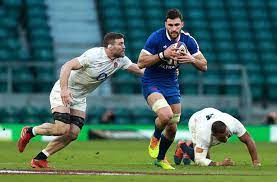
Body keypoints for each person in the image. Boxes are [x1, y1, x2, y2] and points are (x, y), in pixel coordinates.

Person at [17, 32, 144, 168]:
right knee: (62, 129)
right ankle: (30, 131)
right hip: (63, 91)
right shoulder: (94, 55)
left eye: (123, 43)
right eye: (120, 44)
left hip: (80, 97)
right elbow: (67, 66)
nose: (124, 47)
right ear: (109, 46)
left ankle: (40, 158)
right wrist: (64, 90)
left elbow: (139, 70)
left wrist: (164, 69)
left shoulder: (121, 60)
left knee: (73, 133)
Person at [137, 9, 207, 170]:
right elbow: (140, 62)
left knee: (173, 127)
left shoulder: (188, 41)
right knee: (166, 115)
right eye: (170, 25)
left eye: (177, 25)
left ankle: (160, 159)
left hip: (171, 85)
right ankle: (155, 137)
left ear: (182, 24)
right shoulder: (156, 37)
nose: (174, 28)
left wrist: (191, 59)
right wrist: (163, 54)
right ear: (165, 24)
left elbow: (204, 65)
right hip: (152, 82)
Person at [174, 107, 261, 167]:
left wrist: (256, 162)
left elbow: (248, 139)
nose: (226, 139)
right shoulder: (204, 134)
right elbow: (199, 160)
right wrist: (221, 164)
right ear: (214, 135)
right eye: (222, 137)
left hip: (212, 113)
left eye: (227, 135)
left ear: (227, 128)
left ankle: (188, 147)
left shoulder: (233, 123)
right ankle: (182, 145)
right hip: (196, 120)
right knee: (203, 160)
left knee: (208, 162)